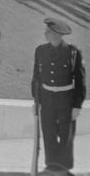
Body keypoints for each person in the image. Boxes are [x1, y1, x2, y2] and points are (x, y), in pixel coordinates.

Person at [33, 17, 86, 173]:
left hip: (66, 98)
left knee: (65, 133)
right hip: (47, 97)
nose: (45, 33)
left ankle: (63, 166)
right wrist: (37, 101)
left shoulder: (73, 52)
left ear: (57, 34)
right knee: (48, 130)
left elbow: (80, 80)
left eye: (48, 31)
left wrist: (77, 105)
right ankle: (51, 165)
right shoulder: (40, 50)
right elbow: (36, 78)